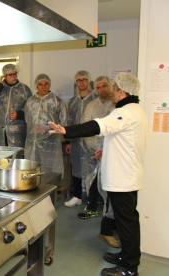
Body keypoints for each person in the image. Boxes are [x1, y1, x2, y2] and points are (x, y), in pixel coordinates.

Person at [48, 72, 147, 276]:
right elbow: (123, 140)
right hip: (128, 176)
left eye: (114, 89)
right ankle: (128, 256)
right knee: (127, 220)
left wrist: (65, 130)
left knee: (126, 223)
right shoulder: (135, 110)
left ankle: (129, 268)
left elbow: (96, 126)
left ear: (122, 91)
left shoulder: (124, 112)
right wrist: (107, 150)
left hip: (123, 179)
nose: (111, 92)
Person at [78, 76, 119, 248]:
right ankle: (93, 207)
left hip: (114, 153)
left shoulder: (117, 106)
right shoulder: (91, 106)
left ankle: (109, 222)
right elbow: (86, 126)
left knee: (111, 187)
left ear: (110, 88)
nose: (102, 89)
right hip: (94, 151)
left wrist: (108, 150)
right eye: (99, 87)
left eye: (105, 86)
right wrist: (95, 149)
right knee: (93, 179)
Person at [64, 70, 98, 207]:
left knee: (93, 168)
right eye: (78, 80)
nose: (81, 82)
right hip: (76, 141)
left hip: (92, 141)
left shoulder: (96, 99)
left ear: (89, 81)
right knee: (76, 167)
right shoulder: (72, 101)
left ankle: (93, 198)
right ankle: (77, 196)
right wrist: (68, 141)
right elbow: (69, 122)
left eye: (84, 79)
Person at [24, 74, 67, 175]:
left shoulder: (57, 101)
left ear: (50, 85)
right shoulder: (30, 101)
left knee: (50, 168)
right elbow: (28, 119)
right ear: (36, 86)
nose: (44, 87)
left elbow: (63, 120)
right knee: (33, 167)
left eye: (46, 84)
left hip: (51, 140)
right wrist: (34, 129)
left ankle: (50, 187)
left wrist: (47, 130)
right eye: (41, 84)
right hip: (33, 139)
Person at [0, 64, 32, 147]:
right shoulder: (0, 89)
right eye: (11, 75)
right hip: (1, 132)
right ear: (4, 76)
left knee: (17, 158)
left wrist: (19, 114)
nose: (14, 76)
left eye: (15, 74)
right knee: (1, 158)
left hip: (17, 132)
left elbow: (31, 109)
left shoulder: (25, 89)